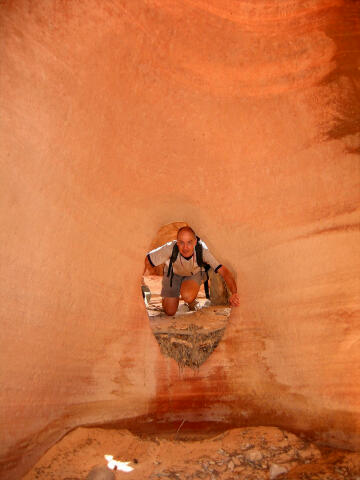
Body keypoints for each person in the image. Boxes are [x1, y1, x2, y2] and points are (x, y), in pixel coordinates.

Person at [144, 226, 240, 316]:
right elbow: (146, 260)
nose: (185, 247)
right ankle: (168, 296)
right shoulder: (170, 248)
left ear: (195, 242)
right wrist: (139, 284)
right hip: (174, 274)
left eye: (189, 242)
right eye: (181, 242)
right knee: (169, 311)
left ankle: (191, 301)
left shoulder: (203, 250)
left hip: (193, 274)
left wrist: (234, 293)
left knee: (188, 296)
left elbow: (224, 271)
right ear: (177, 243)